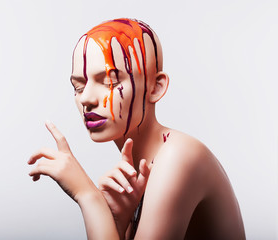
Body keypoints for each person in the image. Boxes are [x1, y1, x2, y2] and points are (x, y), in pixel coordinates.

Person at [28, 18, 245, 239]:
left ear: (156, 87)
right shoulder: (141, 172)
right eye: (78, 86)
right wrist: (117, 224)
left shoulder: (179, 156)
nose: (86, 98)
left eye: (110, 82)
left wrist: (88, 196)